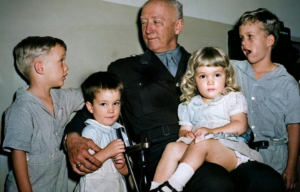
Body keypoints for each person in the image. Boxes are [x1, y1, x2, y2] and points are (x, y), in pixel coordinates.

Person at [64, 1, 285, 191]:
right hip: (163, 153)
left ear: (178, 25)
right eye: (143, 22)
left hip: (215, 144)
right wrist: (72, 137)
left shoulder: (204, 65)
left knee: (269, 181)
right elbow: (92, 107)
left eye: (156, 22)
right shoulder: (124, 69)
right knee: (215, 183)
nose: (148, 29)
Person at [149, 47, 263, 192]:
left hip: (227, 150)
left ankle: (174, 185)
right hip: (197, 149)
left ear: (226, 76)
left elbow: (240, 125)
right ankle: (156, 188)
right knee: (172, 147)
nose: (210, 82)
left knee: (203, 143)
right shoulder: (189, 104)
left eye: (216, 75)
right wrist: (187, 135)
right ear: (194, 79)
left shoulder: (232, 97)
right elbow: (184, 130)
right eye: (203, 76)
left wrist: (211, 131)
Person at [2, 36, 84, 192]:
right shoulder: (21, 109)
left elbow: (90, 94)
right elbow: (18, 157)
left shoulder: (62, 98)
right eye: (61, 60)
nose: (66, 67)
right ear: (40, 67)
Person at [232, 8, 300, 191]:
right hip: (243, 154)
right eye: (241, 38)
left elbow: (294, 126)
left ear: (270, 40)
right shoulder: (235, 69)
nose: (244, 42)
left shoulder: (287, 83)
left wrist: (292, 166)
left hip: (275, 159)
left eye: (250, 36)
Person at [74, 72, 128, 192]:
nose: (111, 110)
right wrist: (108, 151)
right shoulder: (90, 131)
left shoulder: (120, 132)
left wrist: (122, 166)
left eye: (116, 103)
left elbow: (127, 171)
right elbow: (83, 166)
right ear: (90, 107)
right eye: (104, 104)